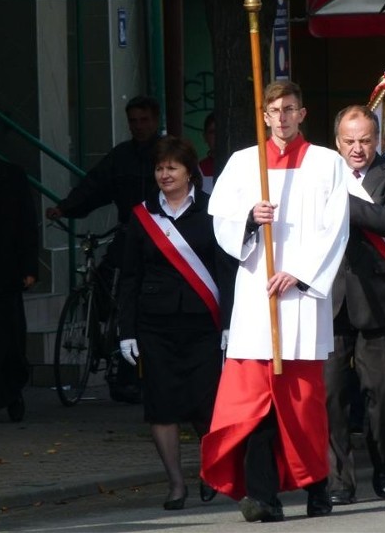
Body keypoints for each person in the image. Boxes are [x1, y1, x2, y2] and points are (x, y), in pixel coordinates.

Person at [200, 80, 349, 523]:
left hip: (301, 301)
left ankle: (318, 486)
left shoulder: (327, 163)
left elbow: (335, 226)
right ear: (264, 117)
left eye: (289, 109)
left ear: (302, 114)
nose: (281, 117)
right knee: (256, 407)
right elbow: (220, 220)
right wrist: (249, 219)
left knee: (302, 405)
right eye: (274, 111)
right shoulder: (244, 163)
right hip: (256, 298)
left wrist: (299, 272)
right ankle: (264, 497)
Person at [117, 136, 232, 509]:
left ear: (189, 172)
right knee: (161, 406)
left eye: (172, 168)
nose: (164, 174)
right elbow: (129, 277)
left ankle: (210, 470)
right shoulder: (143, 215)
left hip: (203, 324)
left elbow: (226, 271)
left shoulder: (213, 211)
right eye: (159, 168)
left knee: (206, 405)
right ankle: (176, 485)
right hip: (156, 326)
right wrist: (127, 331)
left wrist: (230, 322)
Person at [326, 105, 385, 505]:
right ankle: (338, 480)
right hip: (327, 300)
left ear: (377, 139)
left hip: (378, 302)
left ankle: (383, 465)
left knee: (380, 395)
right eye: (349, 141)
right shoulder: (321, 174)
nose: (357, 149)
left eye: (365, 140)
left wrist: (336, 197)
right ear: (337, 141)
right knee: (330, 396)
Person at [46, 94, 162, 404]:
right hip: (128, 232)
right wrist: (65, 208)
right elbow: (95, 185)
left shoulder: (167, 153)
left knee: (141, 295)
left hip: (162, 235)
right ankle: (103, 339)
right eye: (133, 121)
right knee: (101, 278)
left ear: (156, 121)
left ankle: (132, 367)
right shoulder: (121, 156)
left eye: (144, 120)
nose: (138, 127)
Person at [0, 159, 38, 422]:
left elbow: (26, 222)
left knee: (8, 336)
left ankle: (12, 391)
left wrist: (29, 267)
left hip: (4, 270)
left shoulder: (11, 176)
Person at [198, 112, 215, 193]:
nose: (217, 136)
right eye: (212, 132)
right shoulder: (198, 169)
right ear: (205, 137)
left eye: (221, 131)